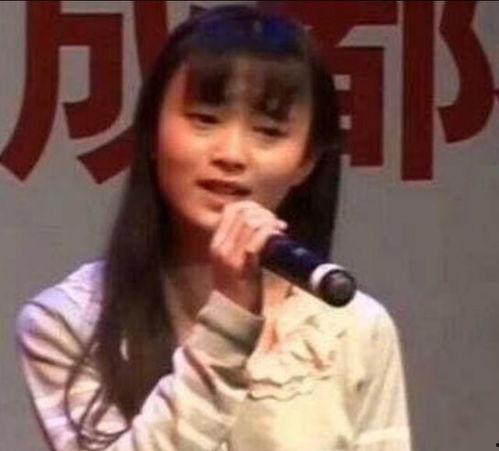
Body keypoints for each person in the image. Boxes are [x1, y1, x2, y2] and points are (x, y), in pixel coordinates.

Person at [16, 5, 412, 451]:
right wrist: (229, 322)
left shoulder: (354, 328)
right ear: (151, 131)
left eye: (268, 130)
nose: (231, 154)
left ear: (306, 160)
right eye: (204, 119)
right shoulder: (67, 322)